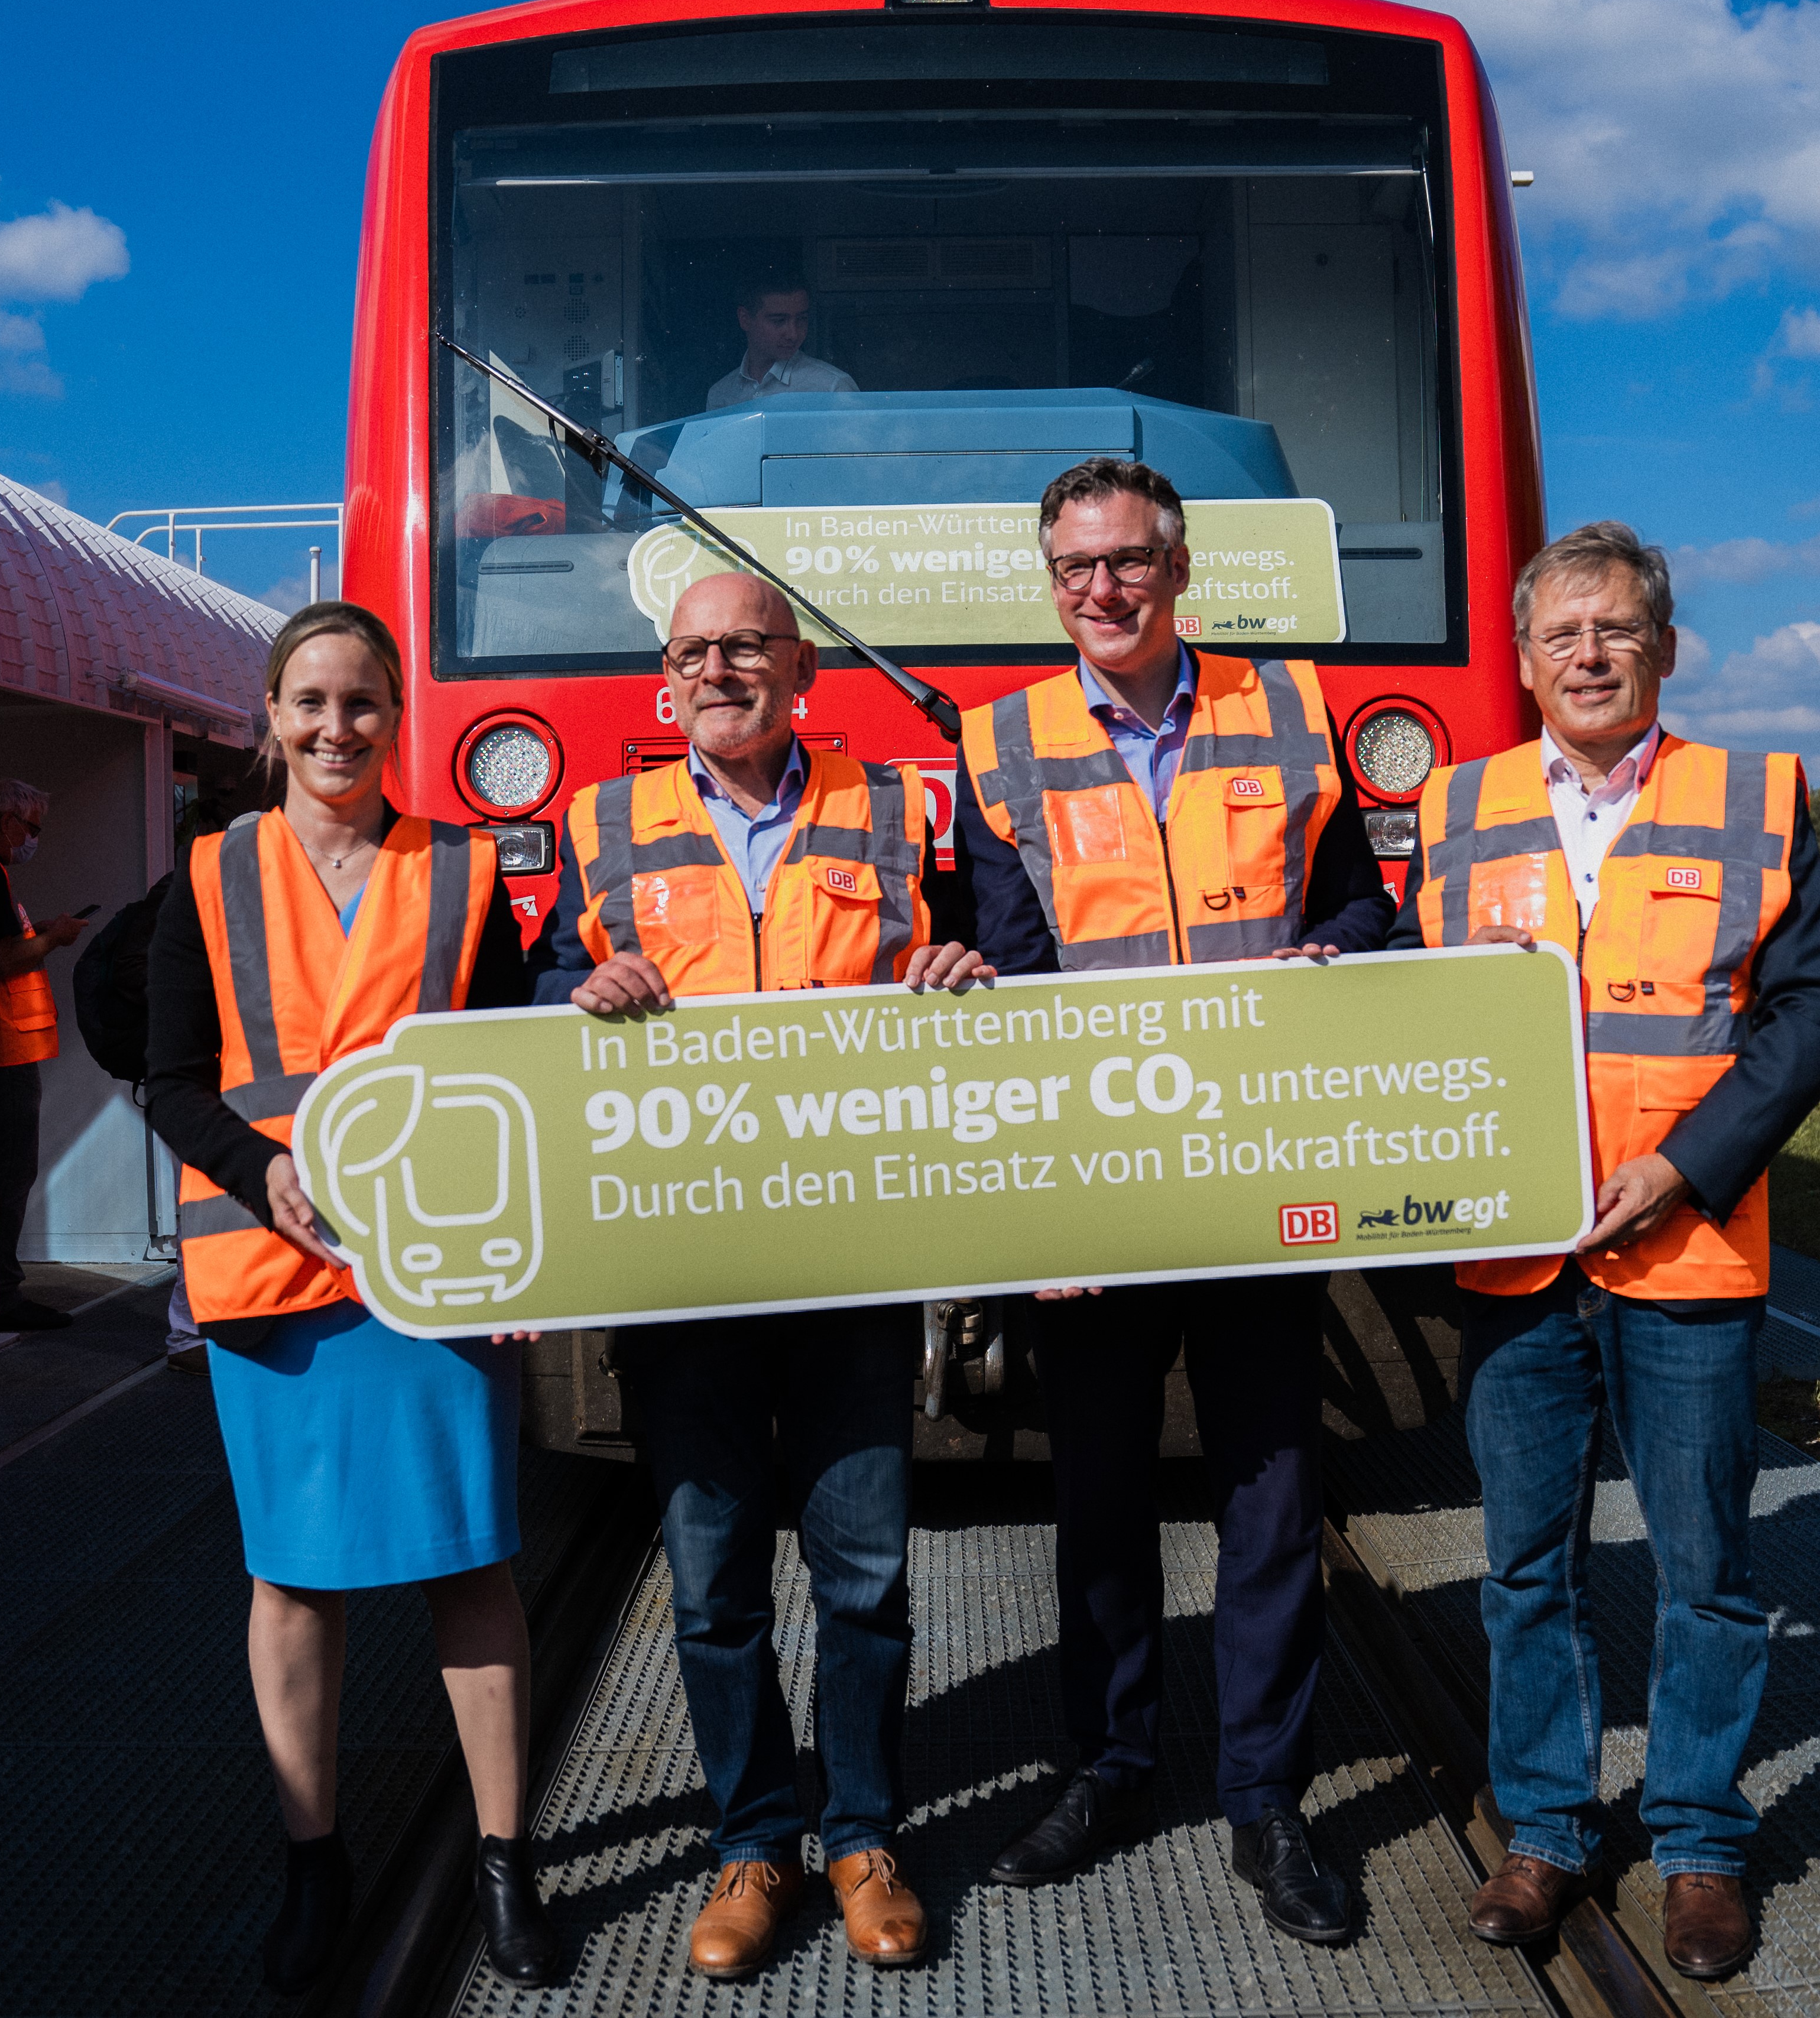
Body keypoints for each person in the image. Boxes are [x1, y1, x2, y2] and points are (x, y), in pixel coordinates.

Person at [1390, 523, 1820, 1981]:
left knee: (1706, 1563)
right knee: (1525, 1565)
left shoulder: (1751, 796)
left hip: (1688, 1252)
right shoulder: (1456, 811)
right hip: (1520, 1265)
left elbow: (1810, 1020)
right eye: (1559, 635)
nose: (1586, 655)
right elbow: (1414, 1026)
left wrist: (1682, 1163)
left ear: (1661, 648)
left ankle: (1704, 1844)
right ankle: (1543, 1830)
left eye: (1614, 630)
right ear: (1523, 660)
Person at [941, 457, 1394, 1945]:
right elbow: (1000, 960)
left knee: (1272, 1501)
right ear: (1051, 583)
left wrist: (1334, 953)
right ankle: (1109, 1764)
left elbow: (1359, 905)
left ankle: (1265, 1797)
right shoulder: (998, 743)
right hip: (1098, 1187)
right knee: (1099, 1498)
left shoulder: (1290, 709)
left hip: (1261, 1174)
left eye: (1128, 561)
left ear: (1179, 568)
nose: (1102, 590)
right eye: (1075, 567)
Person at [145, 601, 560, 1995]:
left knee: (471, 1560)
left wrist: (524, 1253)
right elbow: (169, 1078)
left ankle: (507, 1864)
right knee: (293, 1575)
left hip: (430, 1266)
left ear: (399, 718)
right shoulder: (202, 875)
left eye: (363, 704)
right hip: (269, 1277)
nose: (336, 729)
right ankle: (311, 1865)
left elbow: (510, 1072)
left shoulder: (463, 870)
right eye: (310, 703)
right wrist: (259, 1174)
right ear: (269, 715)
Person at [527, 570, 933, 1979]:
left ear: (797, 666)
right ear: (665, 679)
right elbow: (527, 1016)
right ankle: (752, 1841)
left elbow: (954, 988)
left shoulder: (893, 810)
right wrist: (573, 995)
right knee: (712, 1586)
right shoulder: (600, 823)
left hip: (853, 1260)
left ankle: (865, 1834)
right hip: (684, 1269)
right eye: (694, 651)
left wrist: (954, 973)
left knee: (865, 1577)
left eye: (745, 647)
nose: (719, 669)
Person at [0, 779, 84, 1332]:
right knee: (11, 1173)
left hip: (9, 1047)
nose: (34, 840)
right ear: (7, 824)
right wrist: (56, 939)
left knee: (9, 1172)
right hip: (6, 1049)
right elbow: (3, 961)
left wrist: (39, 930)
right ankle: (2, 1294)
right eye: (32, 828)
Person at [705, 275, 858, 410]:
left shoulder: (833, 388)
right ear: (745, 319)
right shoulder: (720, 395)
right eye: (779, 321)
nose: (793, 334)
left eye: (802, 319)